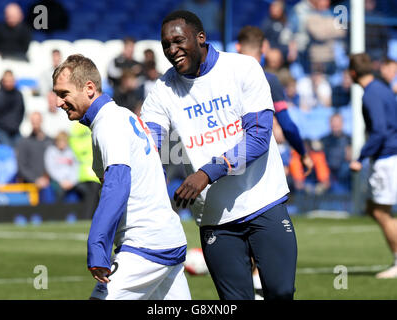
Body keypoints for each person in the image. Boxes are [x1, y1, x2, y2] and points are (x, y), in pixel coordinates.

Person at [141, 10, 297, 300]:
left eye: (178, 41)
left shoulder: (243, 68)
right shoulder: (162, 90)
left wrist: (206, 173)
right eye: (166, 45)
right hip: (215, 216)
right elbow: (149, 145)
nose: (172, 50)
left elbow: (259, 138)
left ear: (201, 38)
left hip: (263, 201)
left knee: (281, 291)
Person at [52, 54, 190, 299]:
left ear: (90, 88)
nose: (58, 102)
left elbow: (117, 185)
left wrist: (97, 246)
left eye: (64, 94)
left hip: (145, 246)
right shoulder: (122, 116)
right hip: (166, 239)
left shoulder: (108, 123)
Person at [235, 25, 313, 299]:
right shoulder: (267, 79)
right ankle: (261, 282)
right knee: (262, 221)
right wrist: (302, 152)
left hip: (224, 166)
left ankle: (250, 283)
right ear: (264, 49)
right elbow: (287, 123)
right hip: (259, 168)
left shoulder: (221, 79)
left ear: (237, 48)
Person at [349, 53, 397, 279]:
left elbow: (379, 129)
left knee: (380, 211)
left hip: (386, 158)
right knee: (374, 208)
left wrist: (360, 157)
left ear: (352, 73)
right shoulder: (383, 88)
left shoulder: (370, 95)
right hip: (390, 156)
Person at [16, 111, 55, 203]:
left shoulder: (50, 141)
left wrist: (47, 178)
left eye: (37, 121)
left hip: (50, 182)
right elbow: (21, 166)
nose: (35, 124)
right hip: (30, 184)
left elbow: (55, 162)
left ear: (41, 121)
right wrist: (35, 179)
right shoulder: (24, 143)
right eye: (33, 122)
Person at [0, 70, 25, 147]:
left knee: (22, 148)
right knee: (8, 150)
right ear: (3, 81)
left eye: (11, 81)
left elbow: (21, 111)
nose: (9, 83)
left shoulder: (18, 95)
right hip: (1, 130)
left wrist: (16, 124)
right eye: (7, 81)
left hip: (15, 130)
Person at [44, 131, 80, 203]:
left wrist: (72, 181)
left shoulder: (71, 151)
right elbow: (51, 169)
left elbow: (76, 167)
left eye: (64, 141)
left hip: (70, 182)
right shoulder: (51, 151)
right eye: (60, 141)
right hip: (57, 181)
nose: (62, 143)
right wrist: (62, 181)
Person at [321, 113, 352, 194]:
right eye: (333, 122)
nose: (335, 125)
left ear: (342, 123)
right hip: (328, 173)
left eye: (337, 122)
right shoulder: (323, 140)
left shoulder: (349, 140)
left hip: (344, 175)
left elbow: (350, 157)